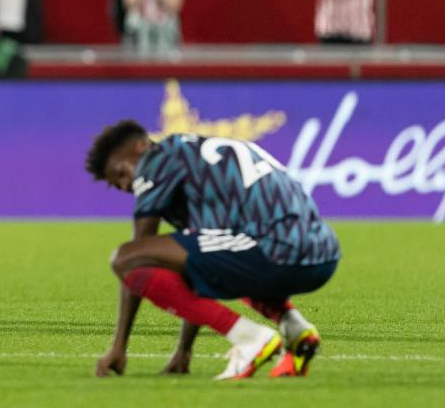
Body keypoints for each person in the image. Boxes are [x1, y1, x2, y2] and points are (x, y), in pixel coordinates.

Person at [86, 121, 340, 380]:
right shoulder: (199, 159)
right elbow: (200, 264)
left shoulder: (157, 159)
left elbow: (139, 252)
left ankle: (251, 338)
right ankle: (295, 328)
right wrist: (184, 351)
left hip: (276, 248)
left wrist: (119, 346)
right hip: (322, 252)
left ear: (141, 146)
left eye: (121, 173)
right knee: (209, 259)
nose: (125, 185)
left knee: (125, 258)